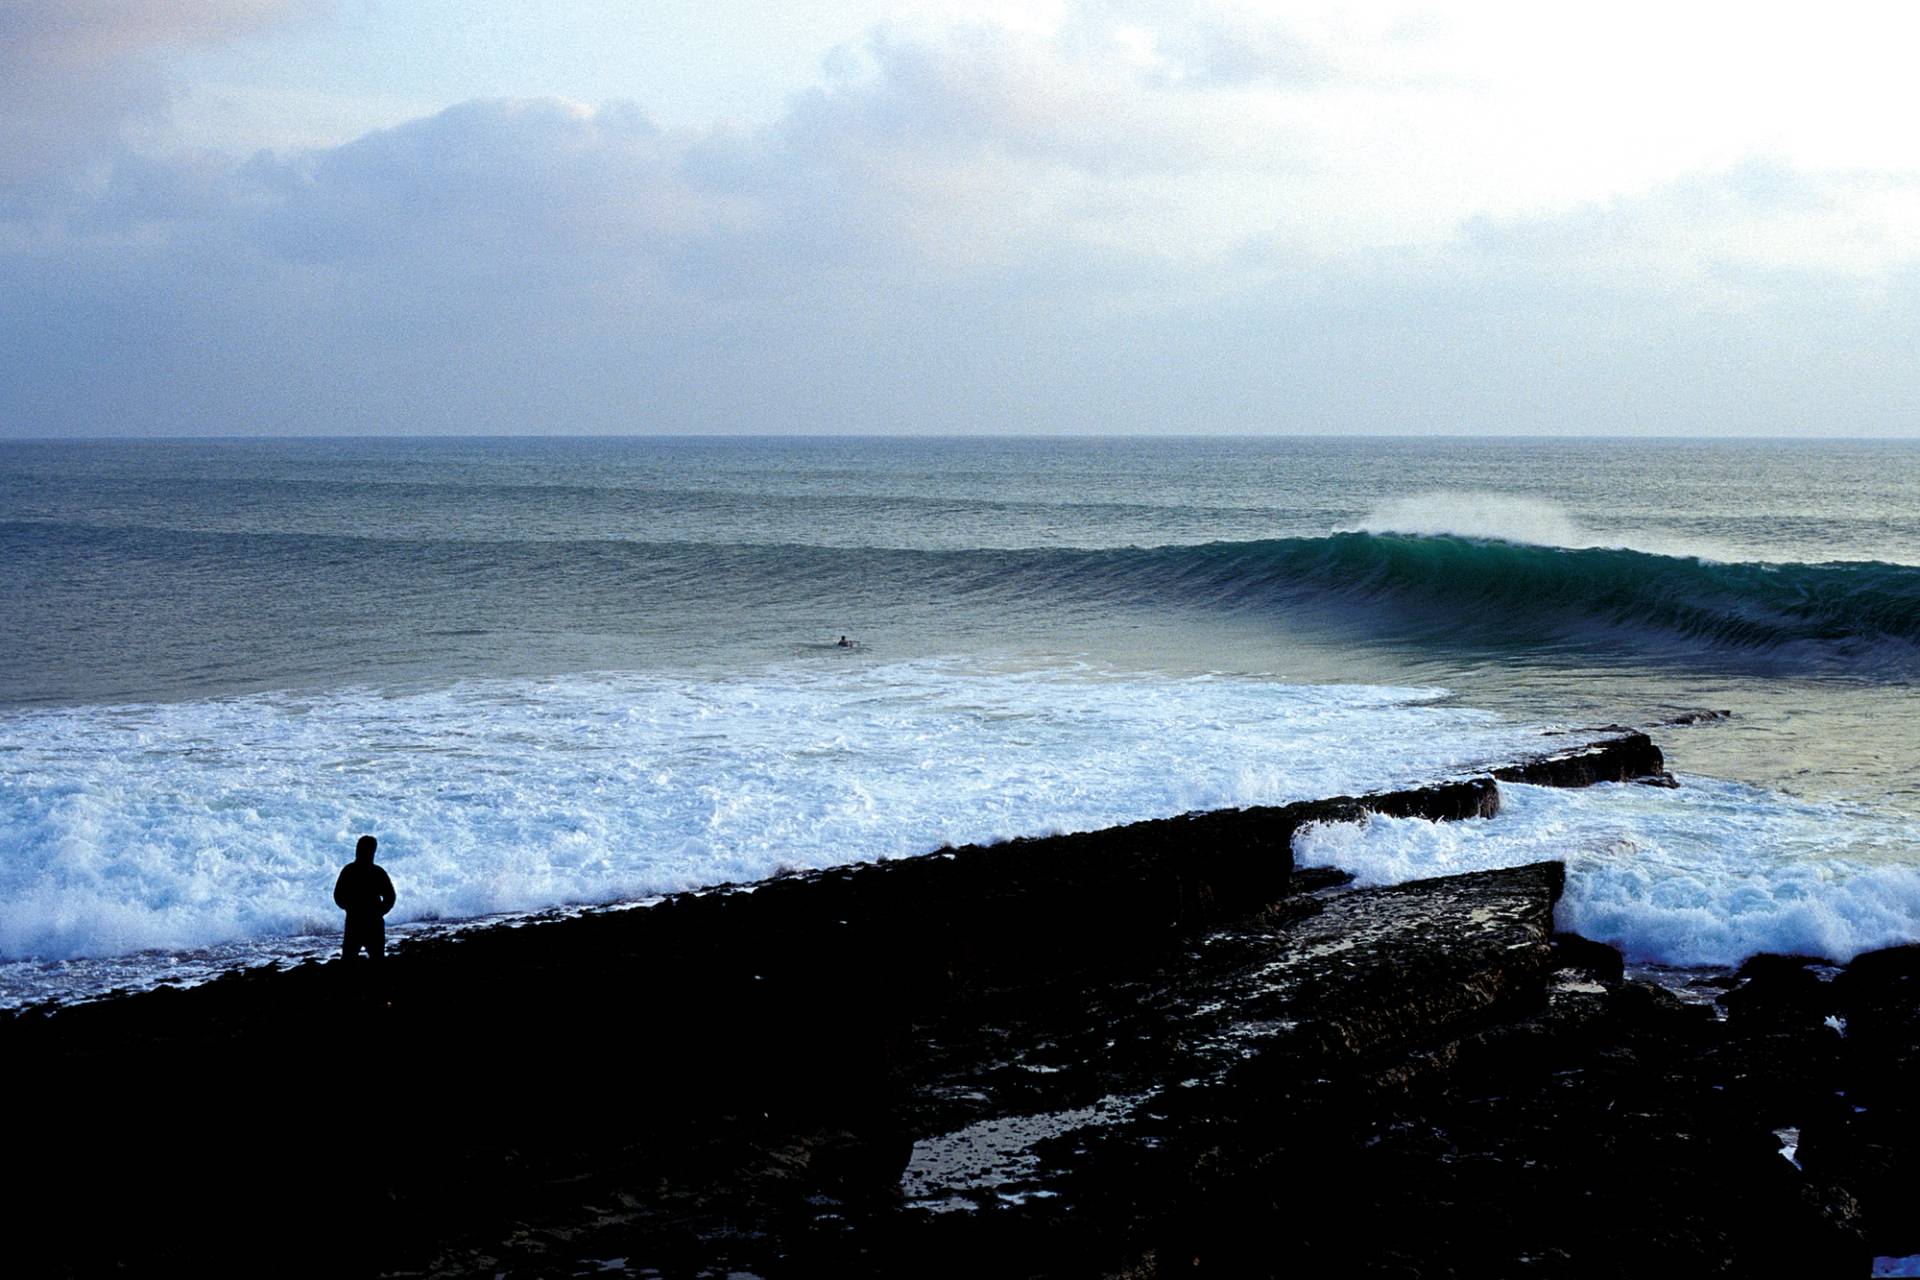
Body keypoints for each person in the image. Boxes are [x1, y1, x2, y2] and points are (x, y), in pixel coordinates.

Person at [334, 834, 397, 962]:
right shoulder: (376, 872)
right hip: (368, 922)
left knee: (349, 960)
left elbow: (338, 895)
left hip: (358, 922)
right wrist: (378, 912)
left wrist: (350, 908)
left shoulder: (350, 870)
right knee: (375, 960)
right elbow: (390, 897)